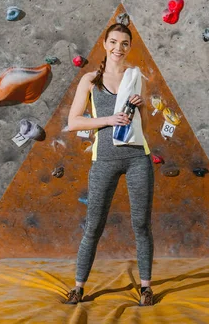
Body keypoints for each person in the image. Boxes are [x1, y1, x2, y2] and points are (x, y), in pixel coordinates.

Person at [65, 23, 155, 306]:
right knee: (94, 225)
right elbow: (73, 122)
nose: (119, 48)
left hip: (137, 157)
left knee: (141, 224)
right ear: (105, 44)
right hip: (104, 159)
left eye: (125, 43)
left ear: (130, 47)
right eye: (113, 42)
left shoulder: (135, 77)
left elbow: (143, 123)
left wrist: (140, 106)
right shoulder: (90, 80)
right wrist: (107, 120)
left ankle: (146, 287)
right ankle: (78, 287)